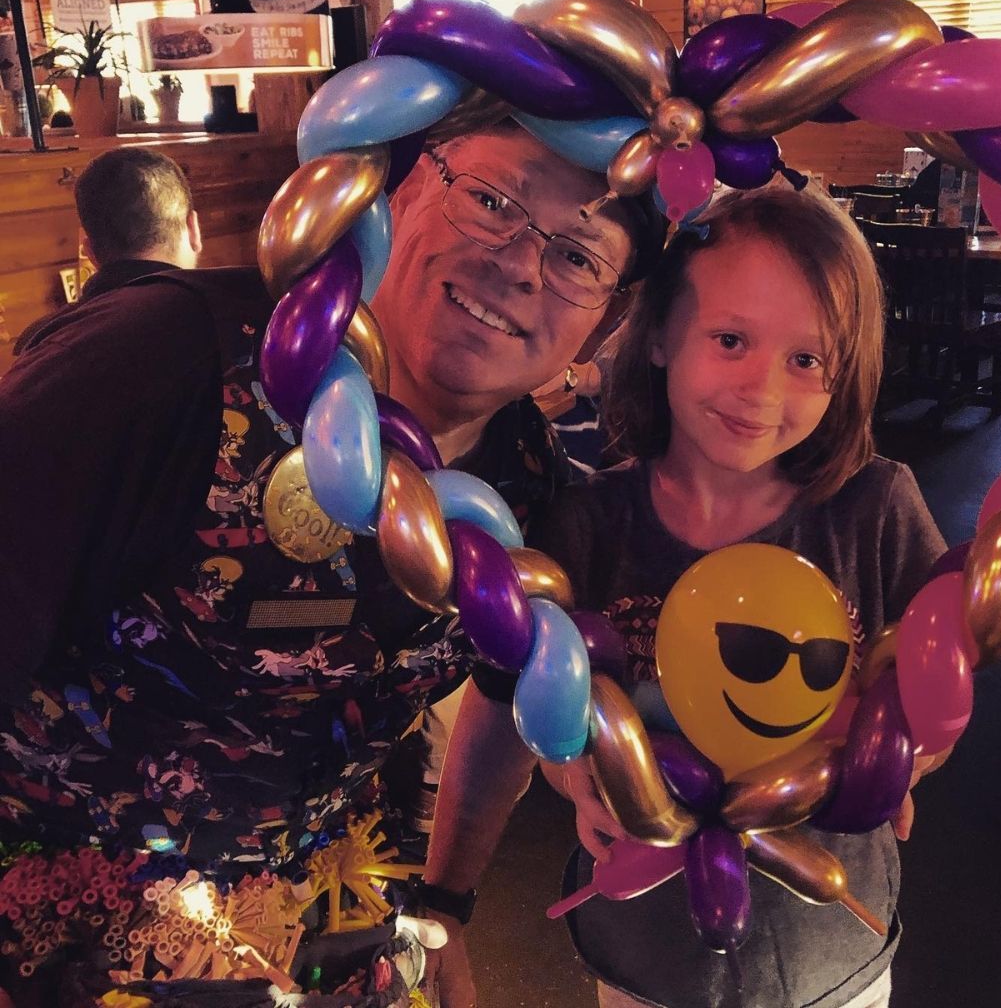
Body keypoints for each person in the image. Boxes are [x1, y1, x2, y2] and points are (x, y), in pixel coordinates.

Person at [0, 132, 660, 1002]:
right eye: (494, 202)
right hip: (58, 944)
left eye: (578, 256)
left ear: (605, 321)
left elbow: (451, 705)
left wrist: (444, 909)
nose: (521, 268)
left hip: (329, 932)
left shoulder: (522, 480)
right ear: (399, 189)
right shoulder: (169, 357)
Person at [423, 185, 947, 1007]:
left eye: (806, 359)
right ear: (660, 334)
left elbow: (939, 694)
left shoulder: (876, 509)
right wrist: (576, 782)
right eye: (731, 339)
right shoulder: (586, 526)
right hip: (646, 945)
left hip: (830, 941)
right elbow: (534, 712)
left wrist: (893, 763)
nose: (762, 390)